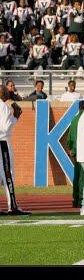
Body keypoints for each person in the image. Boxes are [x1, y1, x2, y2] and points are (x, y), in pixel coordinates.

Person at [0, 85, 30, 215]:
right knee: (8, 174)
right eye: (6, 91)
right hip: (2, 143)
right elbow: (6, 128)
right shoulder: (3, 106)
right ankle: (12, 207)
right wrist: (16, 117)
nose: (8, 92)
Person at [67, 99, 84, 208]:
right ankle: (81, 199)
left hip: (74, 151)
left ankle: (75, 199)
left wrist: (71, 148)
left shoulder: (74, 119)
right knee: (83, 177)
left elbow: (69, 137)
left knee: (77, 175)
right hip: (83, 151)